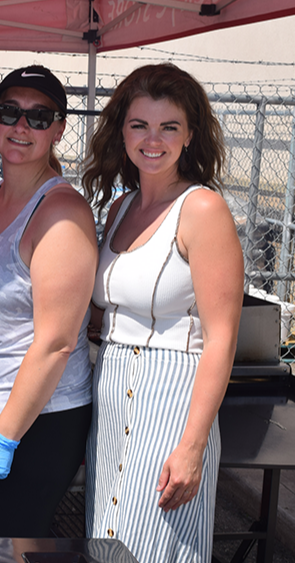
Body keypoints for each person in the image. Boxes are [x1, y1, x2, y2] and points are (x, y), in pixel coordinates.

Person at [82, 63, 243, 563]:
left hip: (172, 400)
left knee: (156, 545)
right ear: (122, 132)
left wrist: (192, 446)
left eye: (169, 127)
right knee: (106, 540)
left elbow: (221, 339)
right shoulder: (119, 209)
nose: (153, 140)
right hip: (109, 396)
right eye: (139, 125)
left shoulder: (203, 209)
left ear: (190, 135)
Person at [0, 66, 96, 538]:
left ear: (59, 129)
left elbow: (56, 342)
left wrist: (6, 435)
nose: (21, 126)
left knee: (4, 548)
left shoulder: (63, 213)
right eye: (10, 113)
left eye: (38, 116)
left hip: (33, 421)